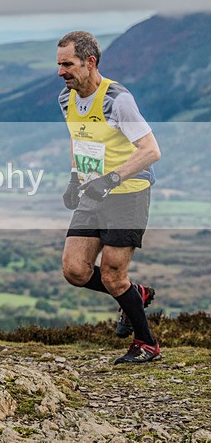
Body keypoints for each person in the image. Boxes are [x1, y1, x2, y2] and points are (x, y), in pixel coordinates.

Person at [57, 31, 162, 364]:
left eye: (68, 64)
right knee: (75, 269)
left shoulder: (117, 100)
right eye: (59, 65)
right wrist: (76, 178)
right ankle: (135, 294)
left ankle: (146, 343)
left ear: (90, 63)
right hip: (94, 193)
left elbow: (151, 151)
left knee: (113, 273)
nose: (61, 72)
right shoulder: (65, 99)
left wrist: (112, 179)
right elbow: (80, 139)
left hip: (128, 193)